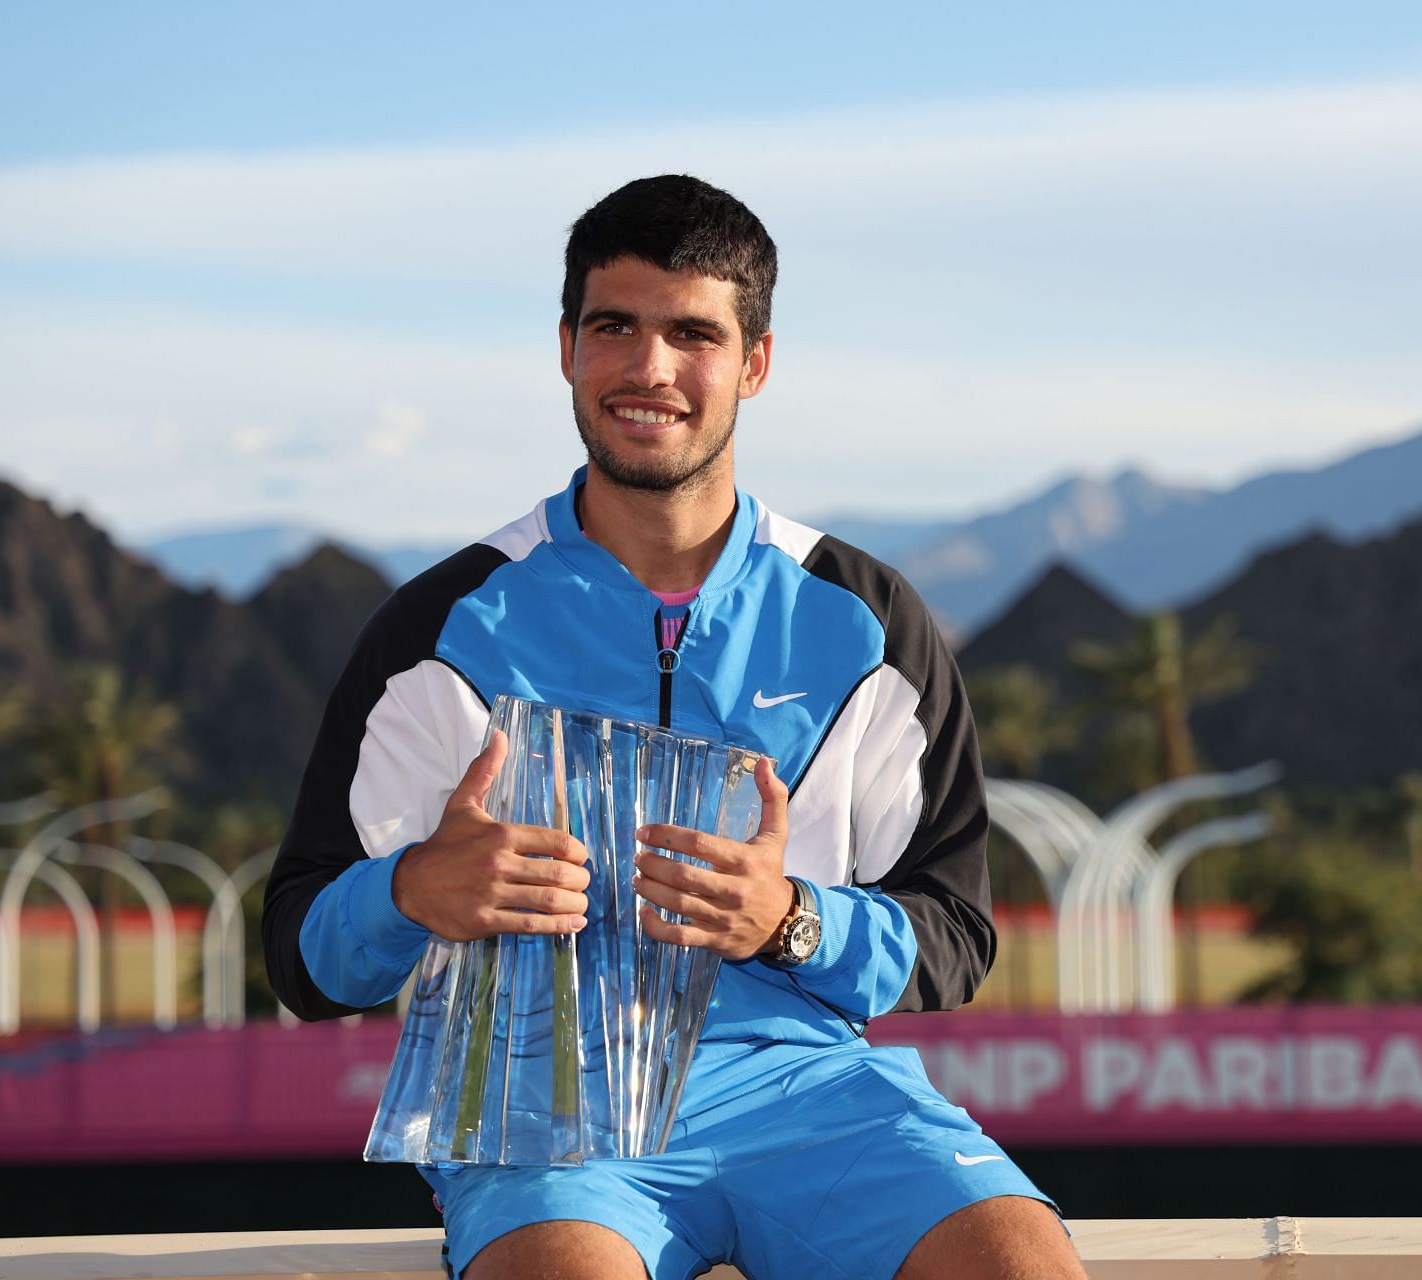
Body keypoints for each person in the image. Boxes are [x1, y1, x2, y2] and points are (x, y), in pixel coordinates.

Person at [262, 175, 1087, 1280]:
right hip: (541, 1105)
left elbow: (954, 930)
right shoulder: (441, 627)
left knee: (1017, 1260)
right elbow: (301, 955)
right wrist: (412, 891)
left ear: (754, 362)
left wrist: (788, 919)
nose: (648, 369)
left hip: (806, 1088)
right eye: (615, 327)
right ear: (566, 347)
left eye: (692, 333)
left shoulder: (864, 623)